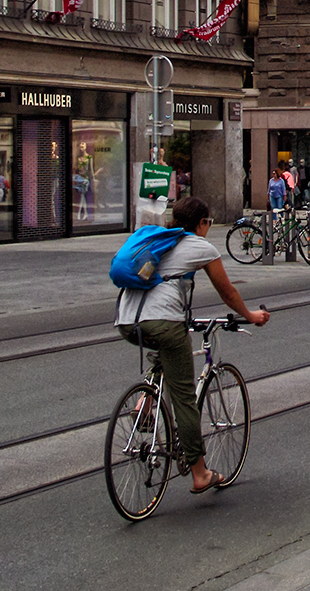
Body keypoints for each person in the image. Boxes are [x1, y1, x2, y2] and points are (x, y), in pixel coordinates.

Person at [114, 196, 269, 495]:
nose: (209, 228)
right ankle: (200, 473)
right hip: (164, 323)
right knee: (184, 396)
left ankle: (146, 401)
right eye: (208, 223)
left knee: (163, 353)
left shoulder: (156, 239)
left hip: (126, 321)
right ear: (201, 223)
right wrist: (250, 316)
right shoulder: (200, 246)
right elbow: (227, 291)